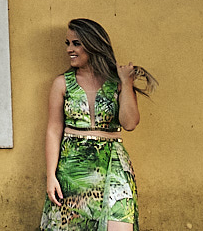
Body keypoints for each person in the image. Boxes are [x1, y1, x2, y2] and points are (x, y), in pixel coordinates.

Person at [39, 18, 156, 231]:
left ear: (93, 45)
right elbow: (54, 130)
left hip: (113, 164)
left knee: (120, 224)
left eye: (76, 43)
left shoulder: (118, 83)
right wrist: (51, 176)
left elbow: (129, 123)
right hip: (74, 169)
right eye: (68, 43)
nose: (70, 50)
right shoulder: (61, 83)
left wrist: (126, 83)